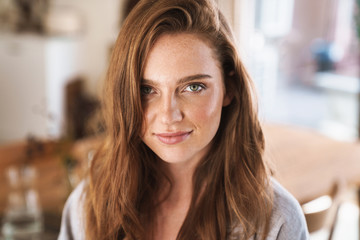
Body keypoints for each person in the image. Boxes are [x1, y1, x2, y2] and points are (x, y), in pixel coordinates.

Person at [58, 0, 309, 239]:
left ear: (229, 88)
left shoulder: (276, 222)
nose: (169, 115)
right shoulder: (89, 205)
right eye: (147, 89)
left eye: (193, 87)